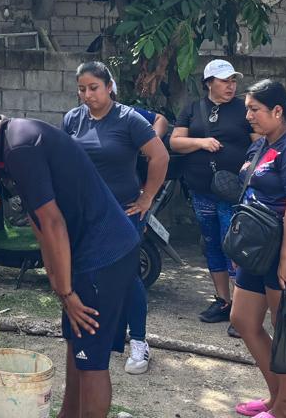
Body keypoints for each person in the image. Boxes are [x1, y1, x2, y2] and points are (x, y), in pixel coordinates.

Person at [0, 107, 141, 418]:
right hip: (89, 251)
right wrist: (56, 279)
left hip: (103, 253)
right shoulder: (12, 143)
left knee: (91, 359)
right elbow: (39, 222)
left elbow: (52, 222)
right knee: (76, 343)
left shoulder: (21, 147)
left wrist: (66, 291)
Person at [62, 61, 169, 376]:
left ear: (109, 87)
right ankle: (97, 335)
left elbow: (159, 156)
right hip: (84, 214)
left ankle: (139, 340)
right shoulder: (72, 119)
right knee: (86, 275)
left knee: (126, 277)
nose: (87, 95)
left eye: (94, 88)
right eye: (82, 89)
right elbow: (65, 160)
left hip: (122, 213)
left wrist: (147, 198)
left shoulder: (128, 119)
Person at [229, 80, 286, 418]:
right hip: (259, 247)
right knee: (242, 319)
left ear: (278, 111)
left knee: (285, 328)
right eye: (247, 109)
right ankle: (275, 396)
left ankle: (285, 408)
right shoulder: (262, 145)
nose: (248, 116)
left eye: (254, 109)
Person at [171, 58, 254, 326]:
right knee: (212, 245)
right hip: (201, 190)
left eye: (233, 81)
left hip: (233, 193)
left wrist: (249, 167)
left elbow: (260, 142)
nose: (231, 86)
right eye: (224, 81)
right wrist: (201, 142)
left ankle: (242, 311)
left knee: (234, 248)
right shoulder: (193, 109)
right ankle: (223, 301)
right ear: (209, 83)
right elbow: (175, 142)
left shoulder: (244, 109)